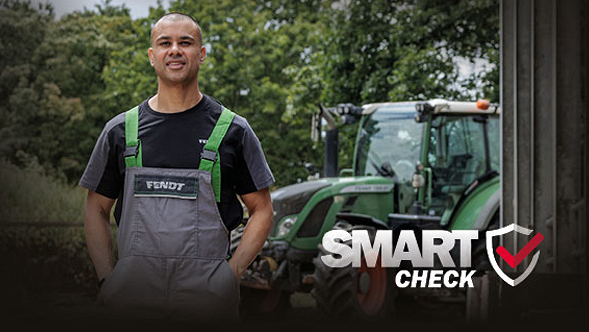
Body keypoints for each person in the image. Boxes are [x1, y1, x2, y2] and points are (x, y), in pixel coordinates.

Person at [80, 12, 274, 321]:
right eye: (164, 43)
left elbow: (262, 209)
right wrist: (107, 278)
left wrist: (230, 277)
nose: (175, 50)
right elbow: (96, 208)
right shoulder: (120, 131)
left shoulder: (233, 131)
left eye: (185, 42)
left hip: (207, 303)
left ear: (201, 54)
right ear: (152, 56)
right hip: (131, 300)